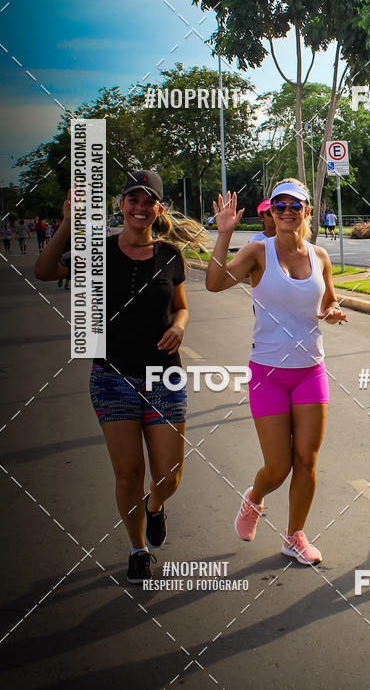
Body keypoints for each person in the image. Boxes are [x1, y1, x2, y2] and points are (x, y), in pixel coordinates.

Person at [35, 171, 208, 584]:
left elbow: (181, 306)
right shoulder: (96, 253)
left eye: (148, 201)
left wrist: (181, 326)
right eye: (133, 199)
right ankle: (137, 549)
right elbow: (44, 270)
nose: (140, 207)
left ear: (158, 209)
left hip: (164, 377)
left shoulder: (170, 255)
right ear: (120, 204)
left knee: (168, 475)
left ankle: (154, 507)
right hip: (112, 378)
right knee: (128, 473)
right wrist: (66, 223)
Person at [206, 178, 347, 565]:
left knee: (306, 460)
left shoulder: (320, 256)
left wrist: (332, 313)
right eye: (279, 206)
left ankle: (294, 536)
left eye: (294, 205)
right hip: (267, 372)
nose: (287, 212)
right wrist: (223, 235)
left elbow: (328, 303)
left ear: (306, 210)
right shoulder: (257, 252)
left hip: (310, 371)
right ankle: (254, 498)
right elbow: (214, 283)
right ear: (270, 212)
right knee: (278, 466)